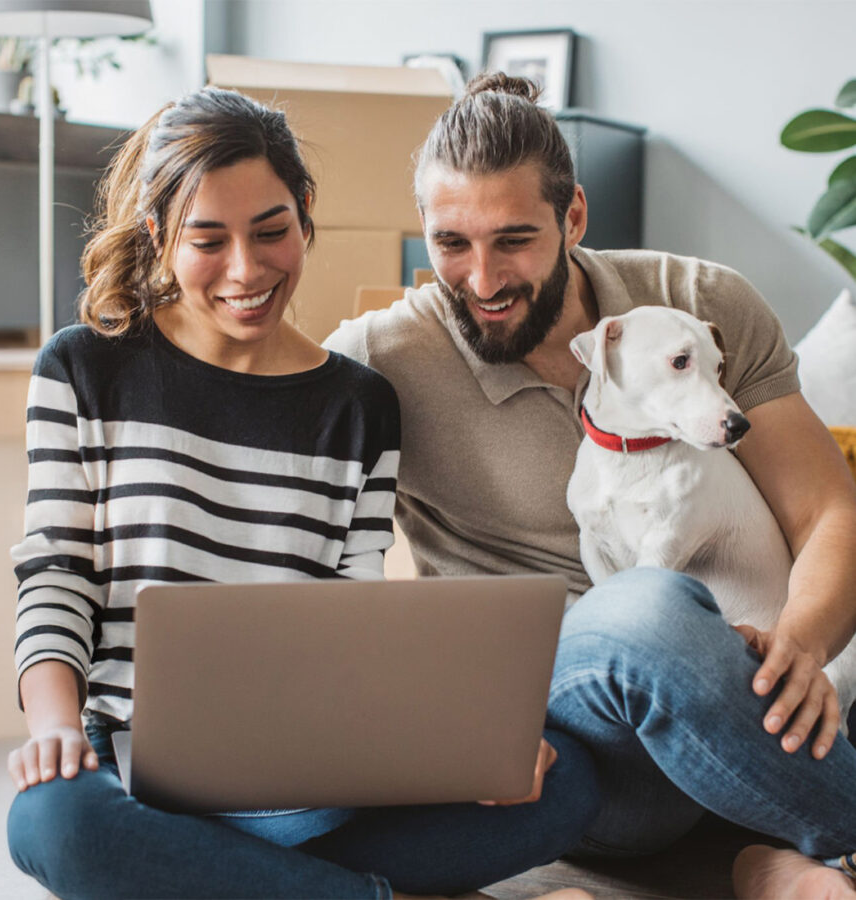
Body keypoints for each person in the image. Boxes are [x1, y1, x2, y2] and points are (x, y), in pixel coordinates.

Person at [5, 86, 601, 900]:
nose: (247, 271)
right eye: (206, 240)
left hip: (312, 785)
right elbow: (56, 573)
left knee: (561, 786)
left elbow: (353, 625)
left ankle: (220, 882)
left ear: (305, 211)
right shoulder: (83, 368)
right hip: (131, 767)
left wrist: (452, 744)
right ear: (158, 236)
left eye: (272, 231)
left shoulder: (359, 405)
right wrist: (53, 729)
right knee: (53, 823)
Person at [325, 73, 856, 899]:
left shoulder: (697, 304)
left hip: (725, 710)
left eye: (514, 240)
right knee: (646, 608)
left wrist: (804, 645)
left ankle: (768, 853)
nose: (482, 279)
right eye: (450, 243)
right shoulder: (383, 355)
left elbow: (828, 510)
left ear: (574, 215)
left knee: (673, 620)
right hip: (556, 744)